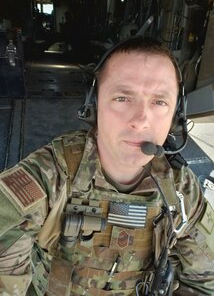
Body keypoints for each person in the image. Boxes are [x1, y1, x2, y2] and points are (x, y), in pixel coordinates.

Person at [0, 36, 213, 296]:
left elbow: (207, 280)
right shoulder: (48, 176)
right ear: (94, 105)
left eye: (159, 102)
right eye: (123, 98)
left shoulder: (180, 191)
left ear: (176, 116)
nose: (141, 121)